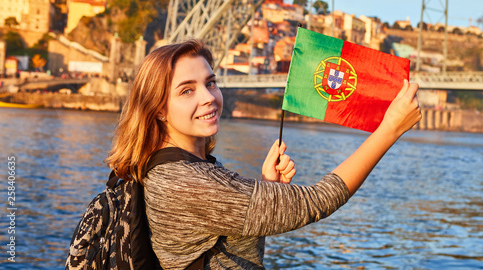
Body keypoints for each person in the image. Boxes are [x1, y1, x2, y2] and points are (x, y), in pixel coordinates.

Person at [106, 39, 421, 269]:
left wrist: (267, 186)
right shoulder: (189, 182)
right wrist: (388, 130)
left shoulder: (175, 167)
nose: (209, 97)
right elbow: (320, 200)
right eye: (187, 90)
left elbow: (228, 230)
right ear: (159, 109)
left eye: (210, 82)